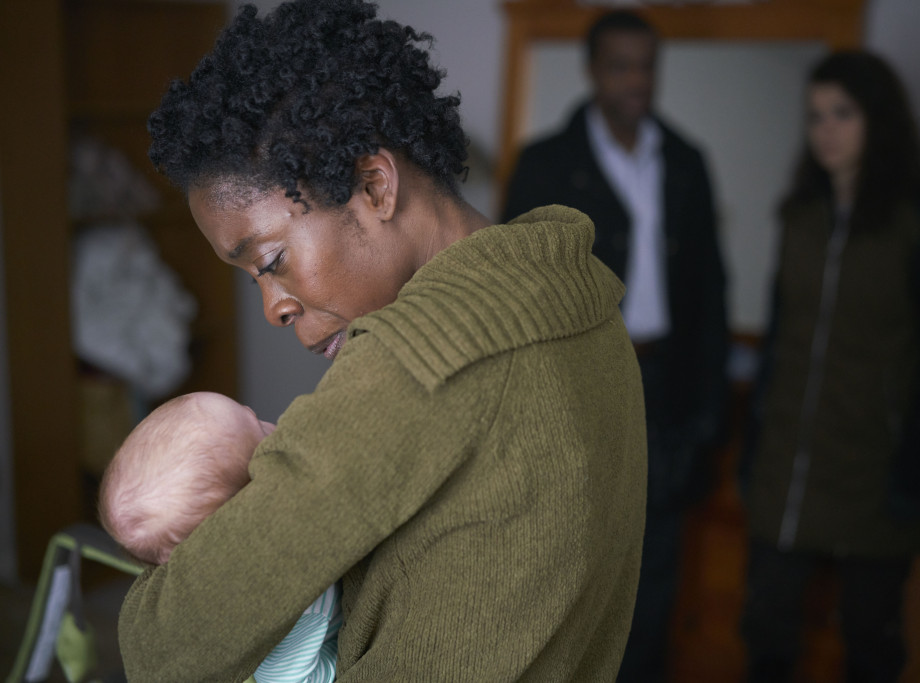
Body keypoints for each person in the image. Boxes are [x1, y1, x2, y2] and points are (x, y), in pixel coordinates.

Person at [117, 1, 648, 681]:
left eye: (270, 261)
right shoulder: (582, 303)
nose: (273, 307)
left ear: (374, 184)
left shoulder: (416, 359)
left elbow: (164, 642)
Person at [501, 10, 730, 682]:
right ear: (593, 71)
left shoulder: (686, 161)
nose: (636, 80)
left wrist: (708, 415)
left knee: (655, 576)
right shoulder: (545, 165)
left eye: (646, 65)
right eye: (620, 65)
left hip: (665, 388)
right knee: (569, 567)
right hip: (578, 390)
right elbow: (519, 299)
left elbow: (711, 293)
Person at [739, 50, 920, 682]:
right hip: (788, 464)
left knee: (870, 643)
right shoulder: (798, 217)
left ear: (880, 119)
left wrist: (918, 460)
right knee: (767, 636)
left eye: (843, 113)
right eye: (815, 115)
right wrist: (755, 442)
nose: (826, 130)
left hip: (878, 468)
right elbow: (781, 337)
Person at [98, 391, 342, 683]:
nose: (273, 424)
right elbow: (295, 679)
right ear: (249, 506)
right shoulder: (290, 601)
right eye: (258, 426)